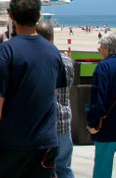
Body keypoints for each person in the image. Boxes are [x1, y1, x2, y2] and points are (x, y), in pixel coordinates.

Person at [0, 0, 67, 176]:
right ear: (38, 16)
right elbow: (52, 94)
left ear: (11, 16)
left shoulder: (7, 51)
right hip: (45, 142)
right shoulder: (53, 52)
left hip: (12, 142)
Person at [86, 32, 116, 178]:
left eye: (100, 48)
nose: (100, 51)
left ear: (108, 48)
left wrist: (92, 122)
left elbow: (98, 98)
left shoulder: (103, 67)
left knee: (103, 168)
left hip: (106, 126)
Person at [35, 22, 74, 178]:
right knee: (64, 167)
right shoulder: (67, 61)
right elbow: (68, 87)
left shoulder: (38, 60)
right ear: (52, 37)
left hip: (44, 123)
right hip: (64, 120)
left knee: (41, 167)